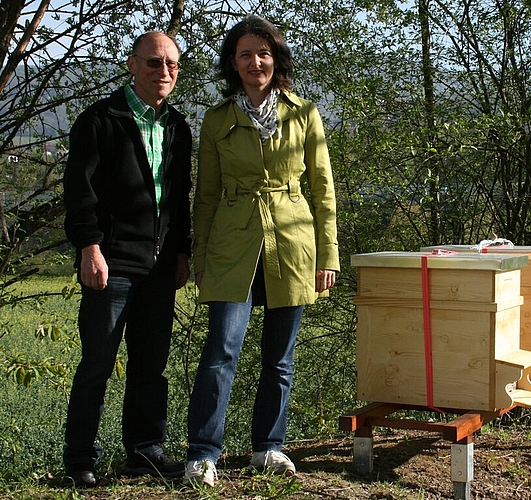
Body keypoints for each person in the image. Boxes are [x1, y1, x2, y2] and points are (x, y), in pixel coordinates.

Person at [185, 15, 339, 487]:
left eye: (264, 53)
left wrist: (328, 254)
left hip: (293, 245)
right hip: (232, 248)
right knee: (221, 351)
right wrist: (200, 256)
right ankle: (204, 453)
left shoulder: (304, 113)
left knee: (280, 358)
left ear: (277, 59)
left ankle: (268, 448)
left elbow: (323, 188)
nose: (257, 62)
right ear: (233, 63)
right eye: (246, 54)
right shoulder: (216, 120)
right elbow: (206, 196)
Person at [62, 31, 192, 487]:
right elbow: (80, 194)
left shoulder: (178, 126)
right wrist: (89, 247)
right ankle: (80, 459)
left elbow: (179, 200)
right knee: (97, 362)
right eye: (155, 63)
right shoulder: (99, 121)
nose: (165, 72)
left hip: (158, 267)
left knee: (150, 366)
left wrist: (182, 252)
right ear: (132, 66)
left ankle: (143, 453)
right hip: (110, 263)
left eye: (173, 65)